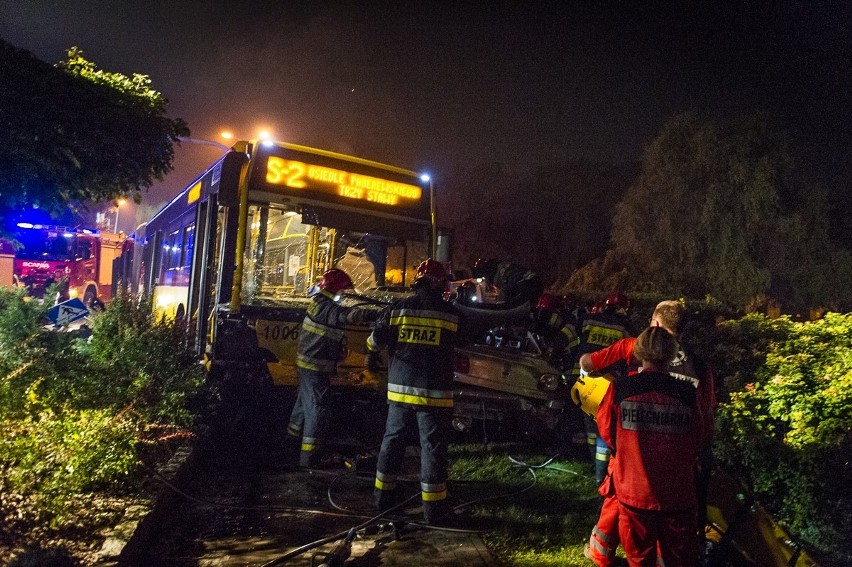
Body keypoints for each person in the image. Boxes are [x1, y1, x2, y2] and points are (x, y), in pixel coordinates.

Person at [580, 300, 716, 566]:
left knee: (637, 553)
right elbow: (703, 429)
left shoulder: (623, 384)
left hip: (633, 484)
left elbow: (607, 427)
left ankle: (601, 552)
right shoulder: (695, 377)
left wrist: (628, 448)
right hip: (677, 489)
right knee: (676, 556)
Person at [367, 259, 464, 524]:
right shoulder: (450, 314)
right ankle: (434, 510)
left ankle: (382, 499)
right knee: (431, 449)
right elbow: (465, 339)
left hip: (399, 392)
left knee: (392, 441)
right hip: (433, 395)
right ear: (439, 283)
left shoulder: (397, 309)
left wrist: (373, 353)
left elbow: (375, 340)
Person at [285, 268, 378, 468]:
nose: (344, 294)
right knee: (317, 410)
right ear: (335, 289)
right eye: (343, 291)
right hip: (314, 369)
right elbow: (348, 316)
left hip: (309, 367)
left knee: (302, 408)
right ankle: (310, 459)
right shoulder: (325, 308)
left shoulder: (319, 304)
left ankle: (289, 446)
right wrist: (373, 314)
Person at [575, 292, 633, 484]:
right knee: (604, 430)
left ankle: (593, 465)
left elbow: (576, 342)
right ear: (623, 308)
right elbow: (630, 355)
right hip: (609, 384)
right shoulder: (624, 326)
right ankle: (601, 477)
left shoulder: (589, 320)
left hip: (585, 379)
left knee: (590, 427)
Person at [531, 292, 580, 371]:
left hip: (569, 365)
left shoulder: (567, 329)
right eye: (540, 312)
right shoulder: (545, 328)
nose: (542, 317)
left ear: (557, 312)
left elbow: (559, 353)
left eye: (546, 314)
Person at [472, 258, 543, 305]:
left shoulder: (500, 273)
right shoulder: (505, 266)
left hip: (525, 285)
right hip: (535, 282)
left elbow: (504, 293)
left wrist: (499, 309)